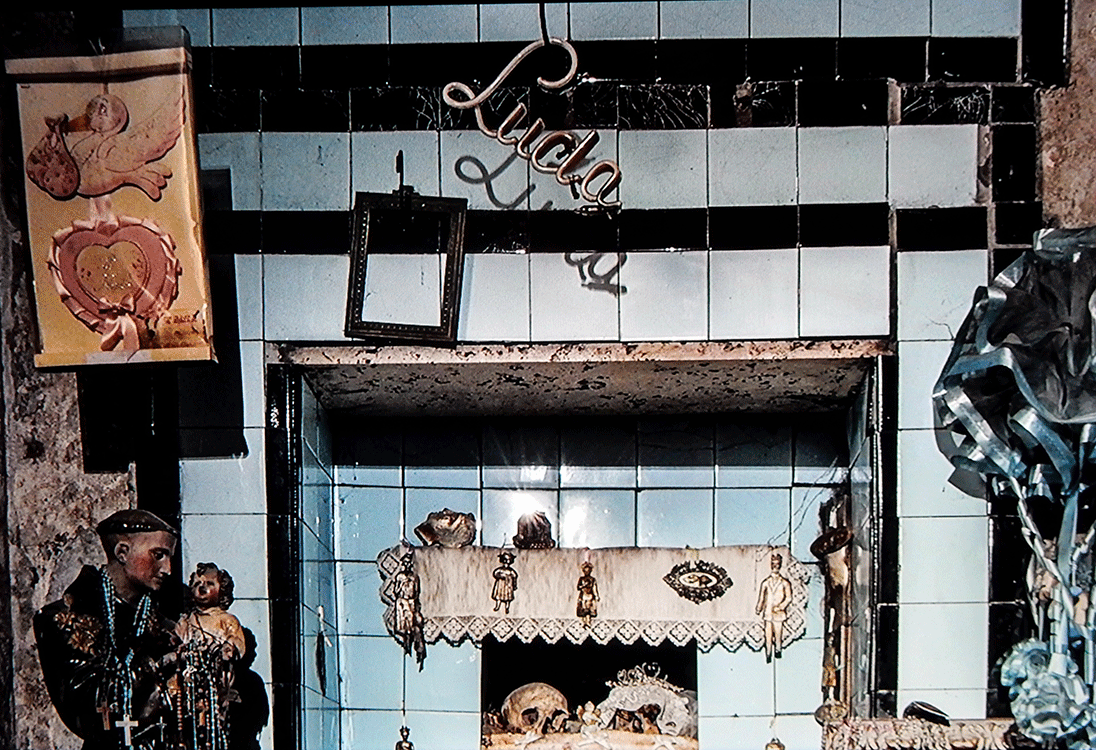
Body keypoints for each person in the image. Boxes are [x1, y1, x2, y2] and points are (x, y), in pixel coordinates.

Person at [34, 508, 180, 749]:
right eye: (158, 555)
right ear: (122, 552)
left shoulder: (166, 629)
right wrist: (154, 668)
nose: (168, 569)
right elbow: (86, 710)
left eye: (169, 557)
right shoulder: (62, 619)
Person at [172, 563, 245, 750]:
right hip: (189, 683)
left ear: (223, 590)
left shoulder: (226, 620)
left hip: (215, 685)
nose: (202, 587)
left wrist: (229, 648)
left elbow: (237, 643)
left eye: (209, 584)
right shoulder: (187, 620)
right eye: (197, 584)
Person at [755, 552, 793, 663]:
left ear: (780, 565)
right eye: (773, 564)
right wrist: (759, 608)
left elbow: (788, 598)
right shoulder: (766, 582)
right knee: (767, 635)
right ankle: (768, 653)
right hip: (767, 613)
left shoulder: (785, 583)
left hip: (778, 614)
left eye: (777, 564)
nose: (775, 566)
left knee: (778, 633)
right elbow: (762, 597)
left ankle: (778, 650)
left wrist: (780, 607)